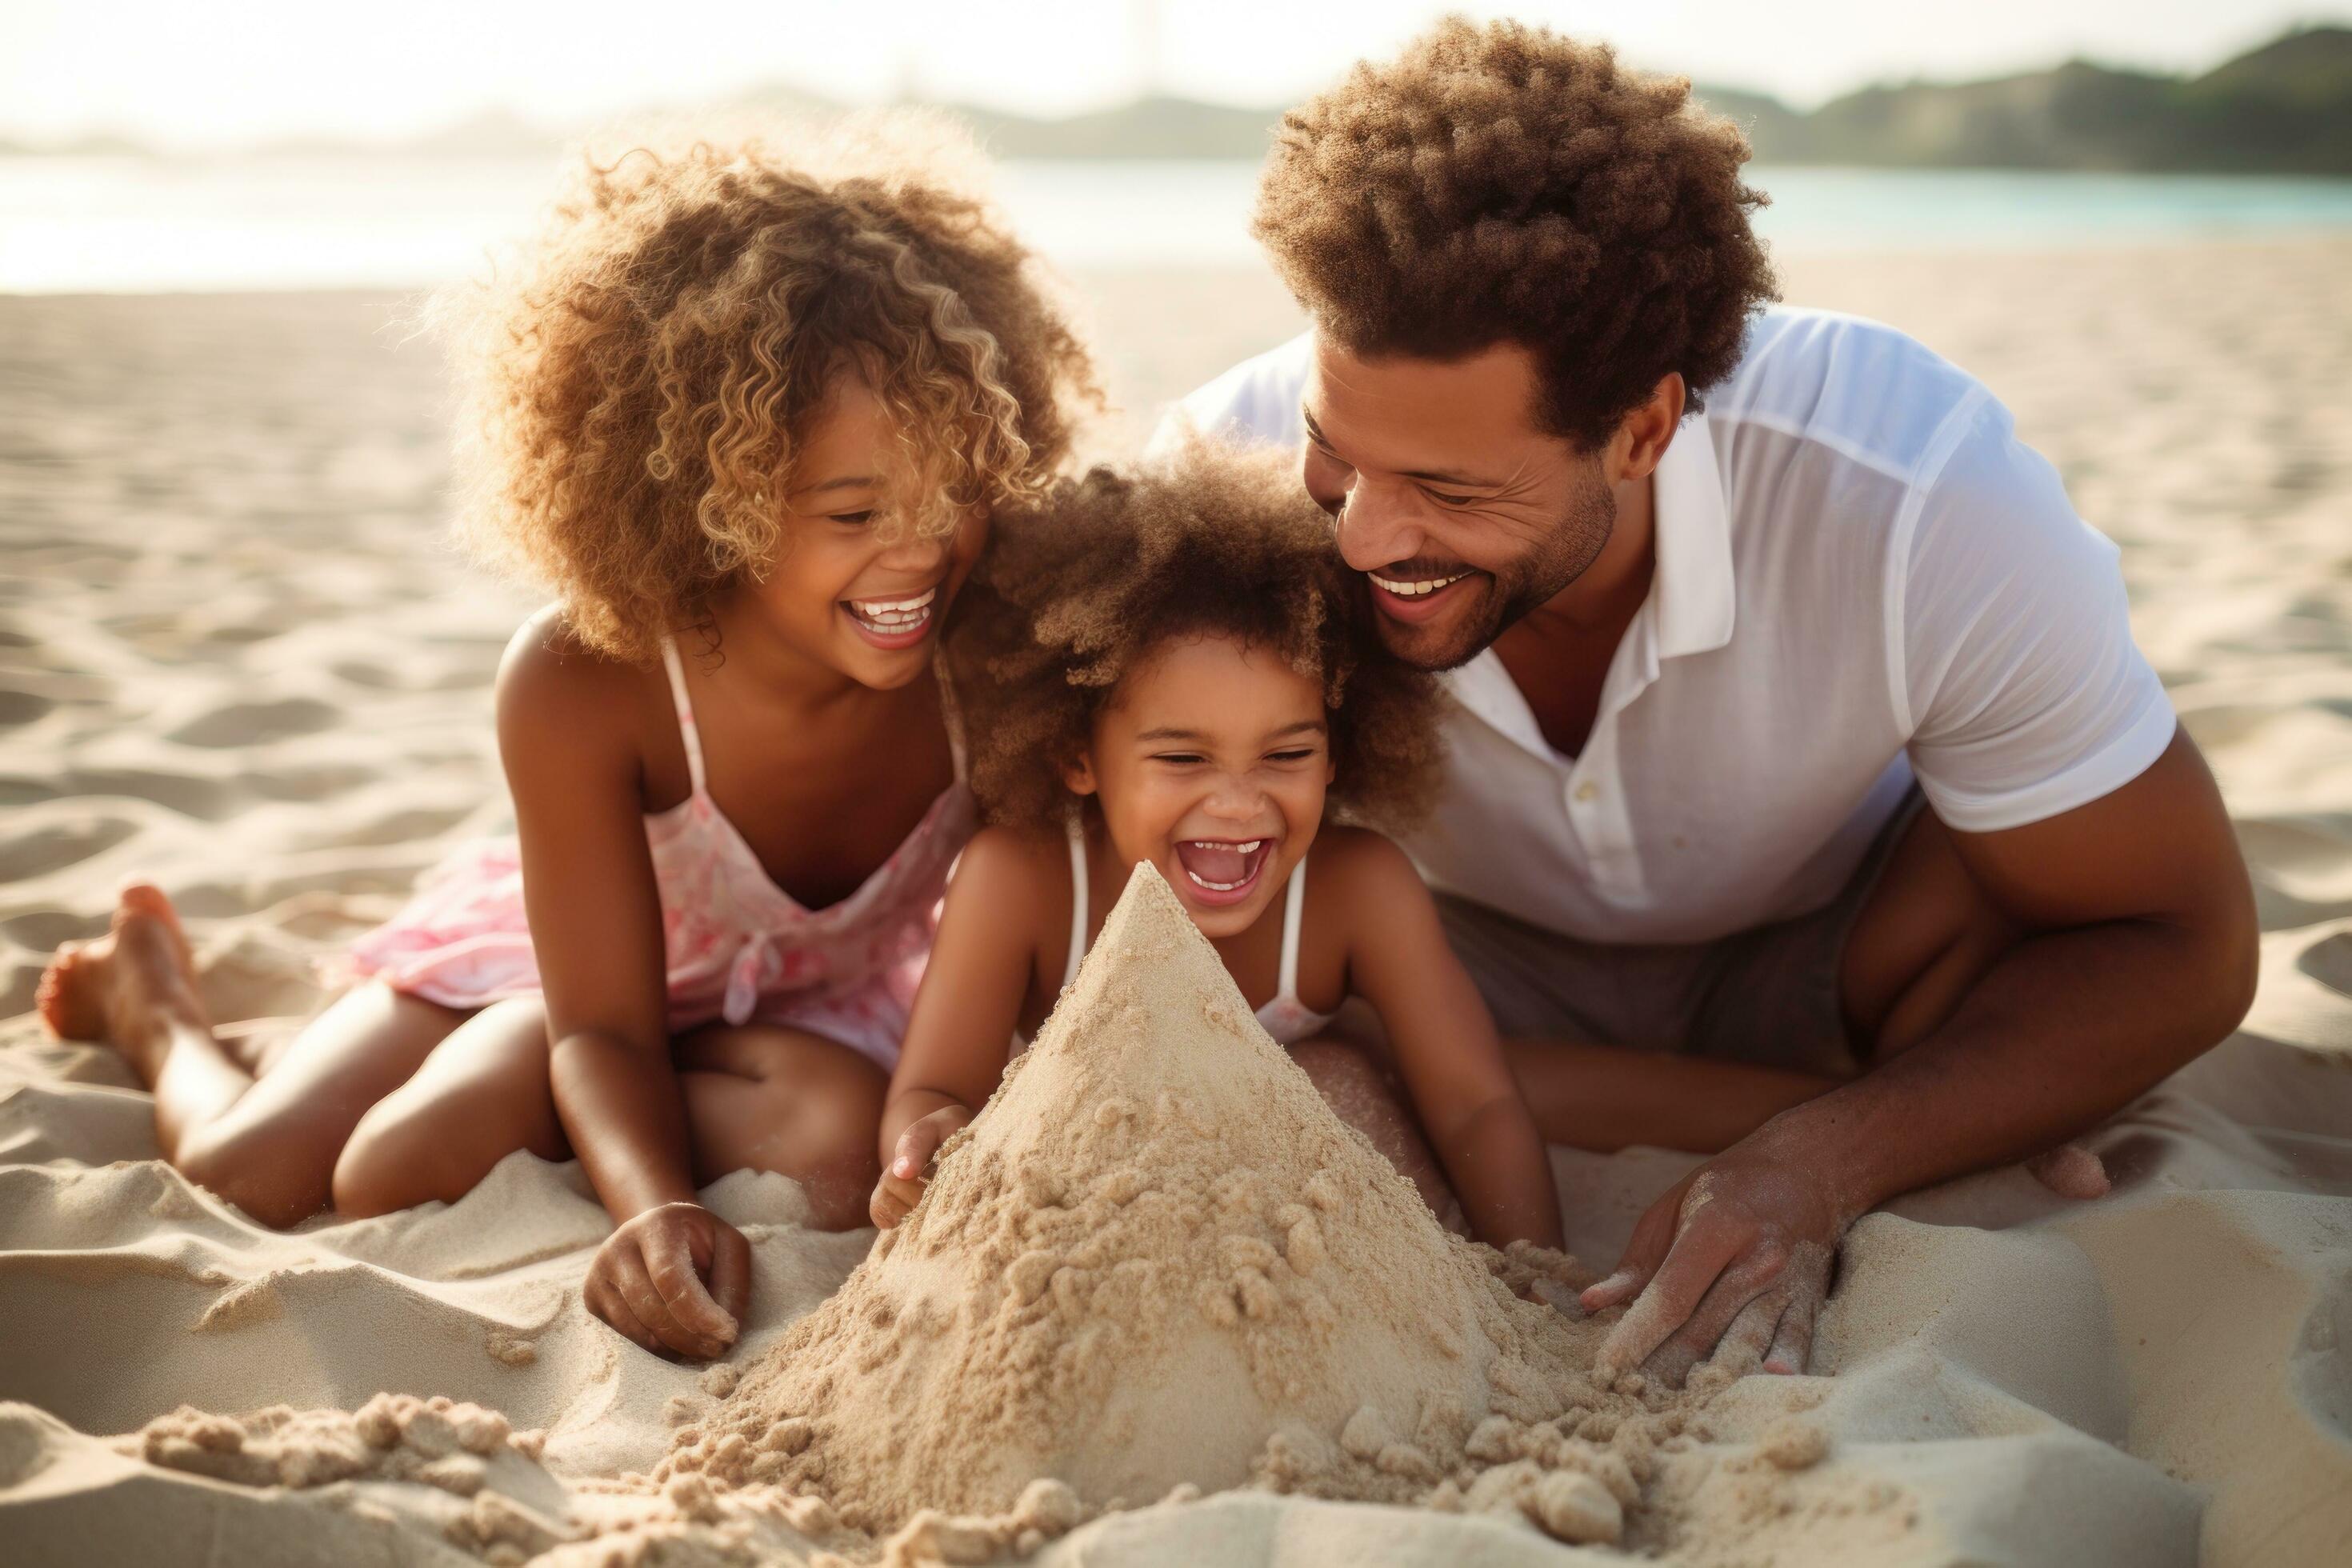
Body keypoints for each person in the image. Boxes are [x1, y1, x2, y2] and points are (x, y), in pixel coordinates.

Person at [1163, 18, 2258, 1386]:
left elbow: (2185, 939)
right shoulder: (1228, 475)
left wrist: (1821, 1163)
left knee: (2013, 869)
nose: (1367, 536)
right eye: (1339, 449)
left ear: (1642, 429)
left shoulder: (1916, 489)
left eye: (1451, 490)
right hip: (1447, 977)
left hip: (1841, 953)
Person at [36, 118, 1097, 1361]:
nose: (916, 551)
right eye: (854, 510)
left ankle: (465, 1072)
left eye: (953, 494)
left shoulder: (1000, 651)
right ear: (713, 496)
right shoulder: (586, 681)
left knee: (821, 1151)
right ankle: (157, 1007)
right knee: (267, 1170)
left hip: (806, 1009)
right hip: (575, 977)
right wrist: (657, 1206)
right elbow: (606, 1021)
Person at [865, 444, 1565, 1257]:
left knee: (1338, 1078)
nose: (1238, 803)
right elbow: (932, 1088)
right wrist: (926, 1143)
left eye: (1286, 755)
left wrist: (1537, 1270)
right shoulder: (1019, 879)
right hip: (1085, 1225)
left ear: (1338, 752)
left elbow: (1476, 1104)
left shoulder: (1358, 891)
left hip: (1288, 1240)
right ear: (1077, 756)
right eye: (1183, 758)